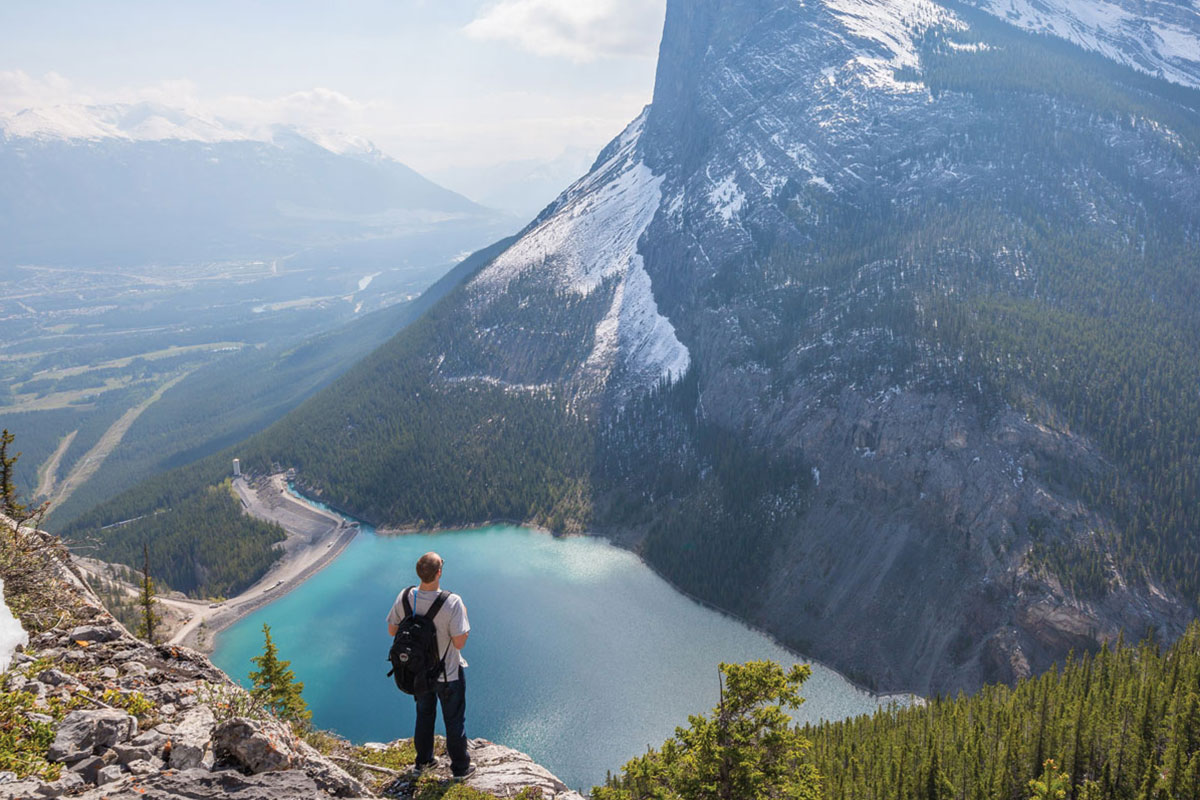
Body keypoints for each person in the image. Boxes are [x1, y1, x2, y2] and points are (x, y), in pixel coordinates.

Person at [386, 551, 473, 778]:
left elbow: (392, 630)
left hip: (419, 673)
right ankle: (461, 769)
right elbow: (459, 642)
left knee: (424, 715)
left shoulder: (405, 596)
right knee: (454, 720)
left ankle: (423, 763)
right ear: (439, 572)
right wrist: (464, 615)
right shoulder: (452, 602)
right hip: (448, 675)